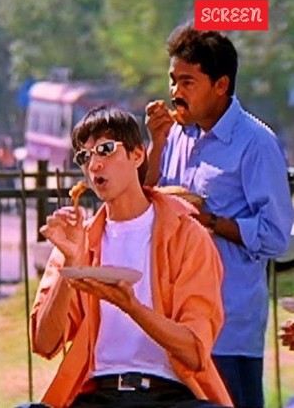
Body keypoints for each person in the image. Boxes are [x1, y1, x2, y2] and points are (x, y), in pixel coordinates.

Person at [31, 106, 232, 408]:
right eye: (84, 157)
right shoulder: (80, 239)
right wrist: (69, 265)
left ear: (137, 155)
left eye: (105, 150)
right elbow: (44, 344)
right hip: (98, 394)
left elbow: (194, 352)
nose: (94, 164)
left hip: (171, 395)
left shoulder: (187, 236)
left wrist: (131, 306)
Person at [144, 24, 293, 408]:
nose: (175, 92)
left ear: (221, 85)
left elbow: (277, 237)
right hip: (172, 324)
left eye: (188, 82)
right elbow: (143, 203)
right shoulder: (175, 136)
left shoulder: (256, 143)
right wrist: (156, 145)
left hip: (227, 329)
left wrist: (210, 221)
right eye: (173, 80)